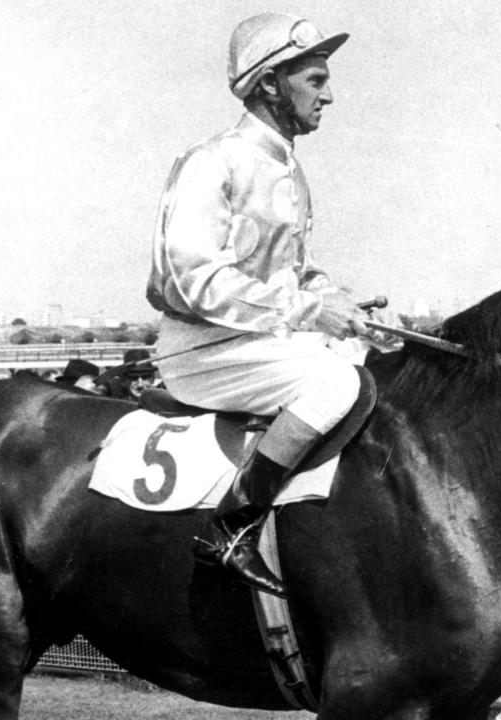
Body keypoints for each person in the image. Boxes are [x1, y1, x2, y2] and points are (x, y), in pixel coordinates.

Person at [145, 12, 367, 597]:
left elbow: (295, 272)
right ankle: (231, 527)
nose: (329, 94)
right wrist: (306, 311)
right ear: (270, 84)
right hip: (205, 350)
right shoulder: (211, 162)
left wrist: (338, 301)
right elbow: (192, 279)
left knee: (368, 358)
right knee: (336, 384)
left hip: (260, 343)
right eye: (315, 80)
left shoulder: (288, 169)